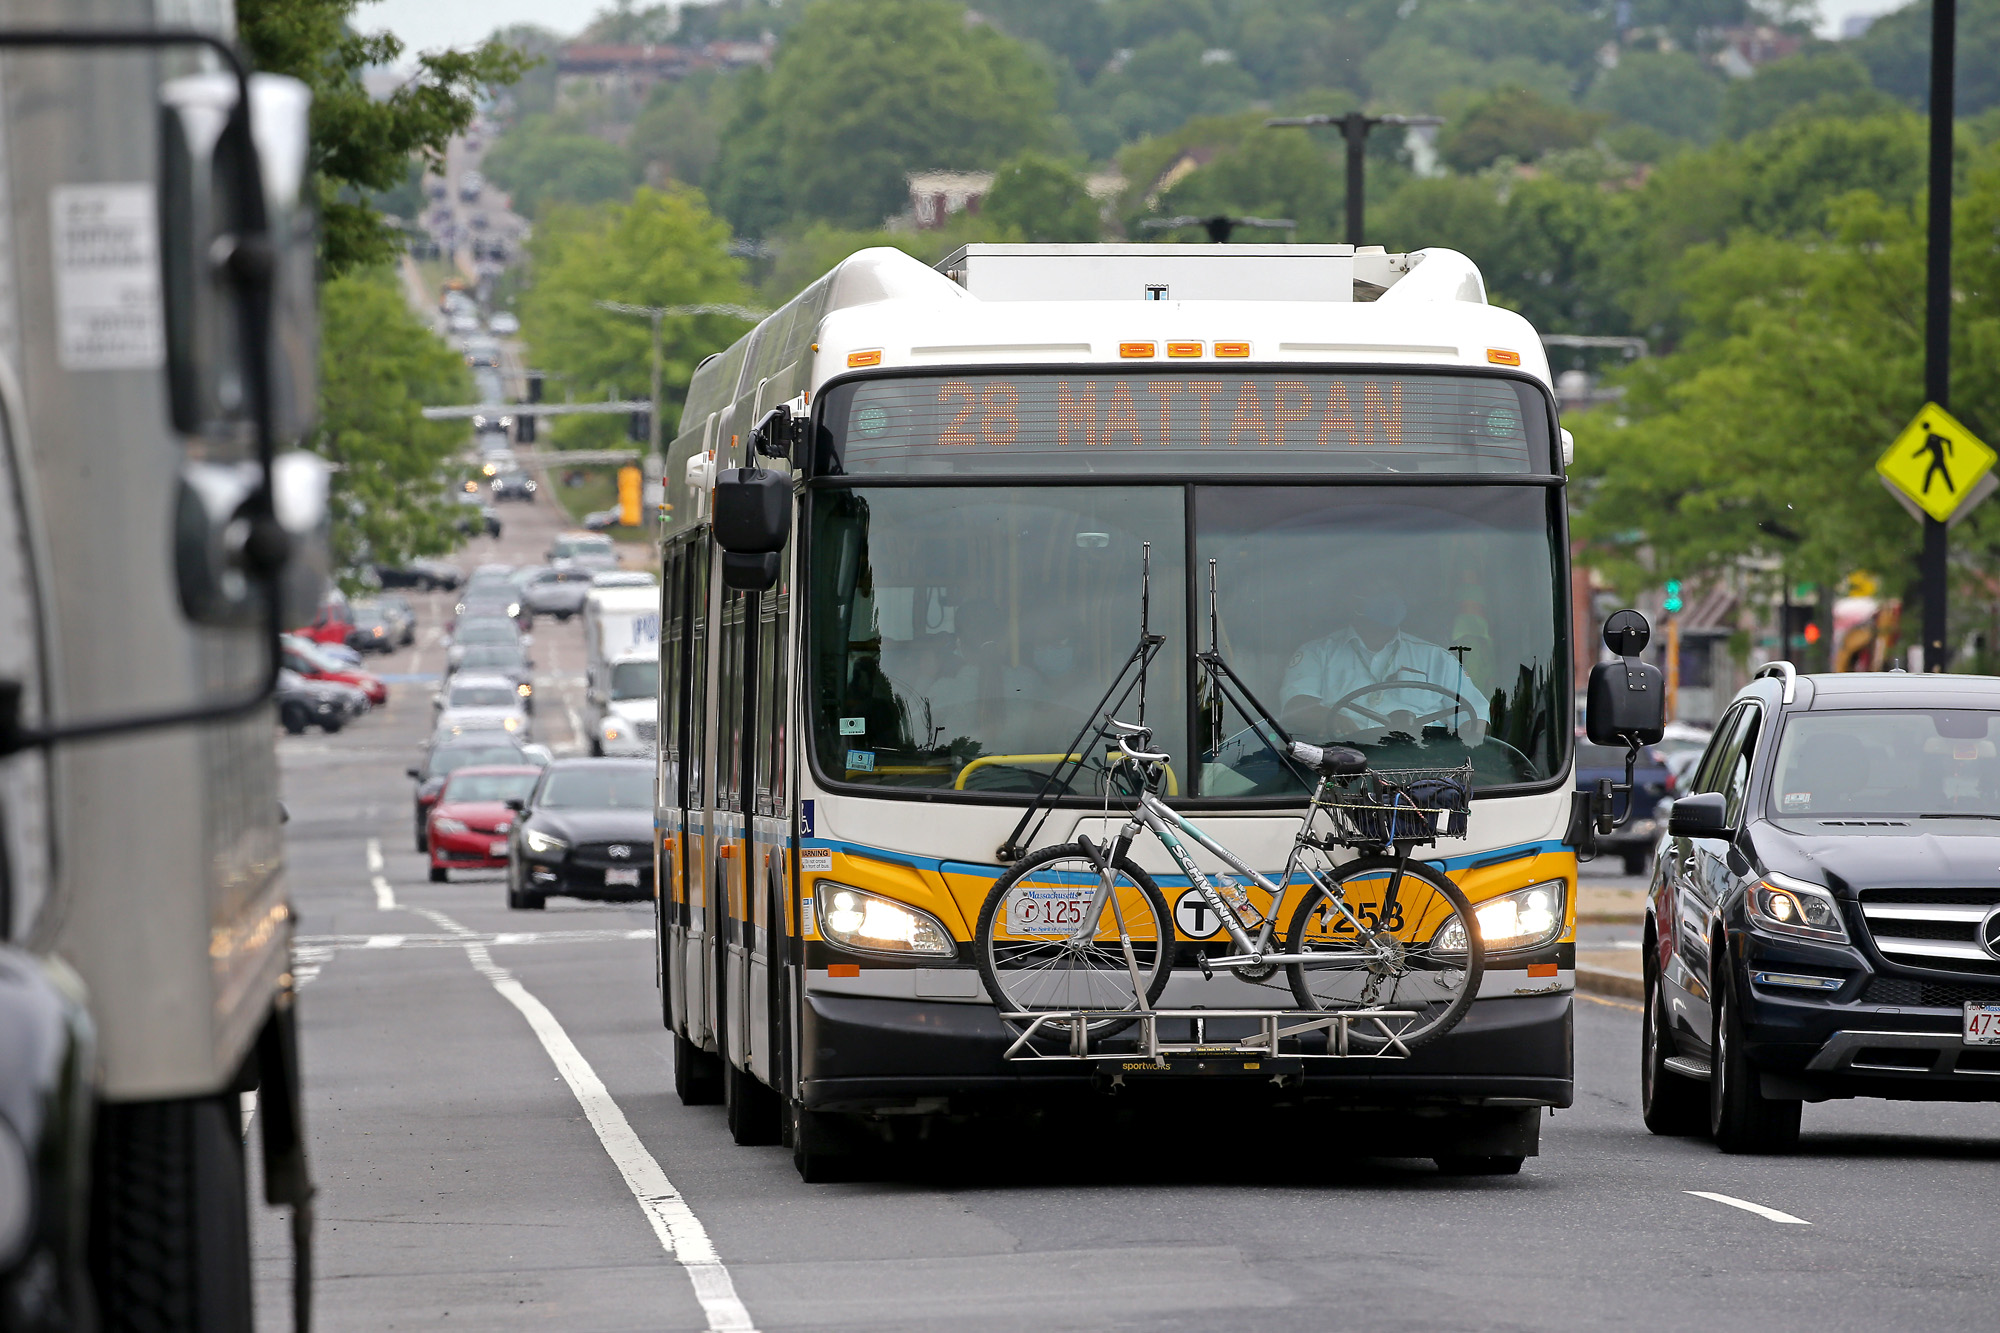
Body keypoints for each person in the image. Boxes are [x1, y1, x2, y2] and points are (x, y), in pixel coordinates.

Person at [1278, 579, 1486, 743]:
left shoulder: (1437, 658)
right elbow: (1296, 709)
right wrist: (1334, 720)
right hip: (1343, 767)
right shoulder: (1317, 653)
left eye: (1393, 591)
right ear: (1353, 601)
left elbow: (1475, 718)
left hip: (1427, 770)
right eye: (1378, 591)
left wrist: (1460, 752)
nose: (1389, 599)